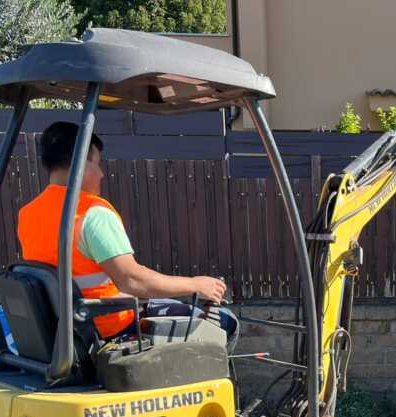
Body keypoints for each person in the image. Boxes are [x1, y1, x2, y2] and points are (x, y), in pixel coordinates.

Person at [17, 121, 238, 350]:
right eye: (97, 164)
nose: (102, 173)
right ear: (80, 162)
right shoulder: (92, 214)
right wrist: (195, 284)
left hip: (68, 331)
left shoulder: (28, 214)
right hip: (110, 329)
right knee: (225, 322)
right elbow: (132, 280)